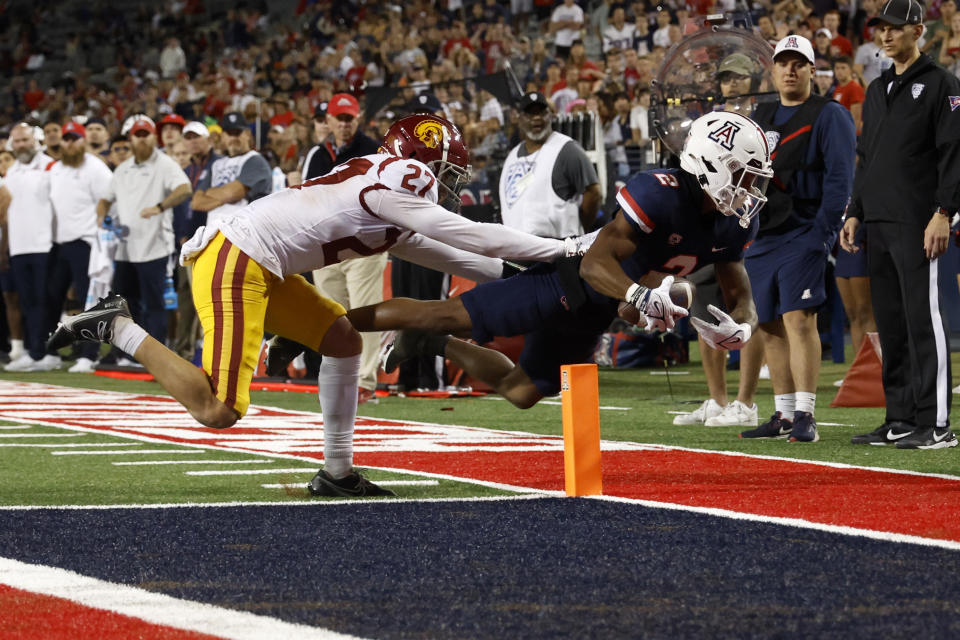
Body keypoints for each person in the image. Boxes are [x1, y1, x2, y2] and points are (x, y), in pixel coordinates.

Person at [50, 113, 582, 498]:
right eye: (445, 173)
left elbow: (463, 257)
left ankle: (337, 471)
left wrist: (542, 273)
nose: (446, 187)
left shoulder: (387, 197)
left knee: (343, 340)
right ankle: (116, 326)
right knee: (219, 409)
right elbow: (477, 238)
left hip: (260, 261)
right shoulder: (398, 180)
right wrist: (568, 251)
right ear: (419, 165)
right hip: (237, 258)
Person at [338, 112, 771, 411]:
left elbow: (741, 292)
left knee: (523, 392)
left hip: (598, 311)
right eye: (744, 176)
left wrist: (742, 326)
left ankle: (431, 344)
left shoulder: (736, 223)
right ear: (710, 164)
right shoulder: (660, 192)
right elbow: (593, 265)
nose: (749, 190)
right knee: (446, 313)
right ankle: (325, 322)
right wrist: (639, 295)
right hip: (565, 283)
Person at [841, 0, 960, 450]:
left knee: (924, 320)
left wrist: (943, 212)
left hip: (919, 220)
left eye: (894, 28)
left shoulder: (942, 84)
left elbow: (954, 154)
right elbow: (867, 157)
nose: (885, 36)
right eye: (880, 29)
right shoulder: (876, 89)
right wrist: (855, 210)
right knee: (891, 323)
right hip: (879, 220)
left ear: (917, 31)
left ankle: (938, 425)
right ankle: (901, 418)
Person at [729, 35, 856, 442]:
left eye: (798, 63)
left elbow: (840, 177)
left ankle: (806, 415)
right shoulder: (761, 114)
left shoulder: (829, 114)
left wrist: (824, 231)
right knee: (767, 324)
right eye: (783, 62)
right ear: (773, 69)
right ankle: (783, 415)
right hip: (763, 232)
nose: (789, 70)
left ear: (811, 70)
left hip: (805, 229)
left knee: (799, 320)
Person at [301, 94, 384, 401]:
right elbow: (304, 196)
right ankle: (339, 378)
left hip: (365, 242)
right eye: (340, 118)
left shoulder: (374, 150)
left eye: (350, 119)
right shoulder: (317, 154)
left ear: (357, 119)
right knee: (331, 315)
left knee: (365, 311)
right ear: (330, 120)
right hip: (327, 246)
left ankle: (364, 381)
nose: (345, 124)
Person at [95, 117, 192, 358]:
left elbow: (184, 189)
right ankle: (126, 355)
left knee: (155, 305)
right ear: (131, 138)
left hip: (154, 246)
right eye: (137, 134)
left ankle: (156, 357)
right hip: (125, 248)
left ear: (153, 137)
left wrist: (159, 207)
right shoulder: (123, 168)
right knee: (125, 305)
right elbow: (105, 198)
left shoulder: (165, 164)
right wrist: (101, 216)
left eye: (146, 134)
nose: (141, 138)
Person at [46, 120, 113, 373]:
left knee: (90, 299)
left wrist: (104, 236)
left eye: (75, 138)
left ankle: (89, 354)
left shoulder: (96, 168)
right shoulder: (55, 169)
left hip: (87, 242)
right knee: (52, 296)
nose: (71, 143)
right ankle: (51, 353)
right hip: (60, 242)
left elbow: (109, 200)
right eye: (67, 138)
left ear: (83, 140)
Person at [499, 91, 603, 240]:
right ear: (519, 119)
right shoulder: (512, 156)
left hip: (556, 250)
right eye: (530, 114)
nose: (537, 118)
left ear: (551, 115)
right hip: (516, 249)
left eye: (542, 112)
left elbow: (594, 193)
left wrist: (579, 230)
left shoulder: (567, 149)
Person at [0, 123, 59, 371]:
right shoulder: (11, 173)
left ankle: (47, 352)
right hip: (19, 247)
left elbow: (59, 206)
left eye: (25, 140)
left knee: (46, 300)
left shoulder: (50, 167)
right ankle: (34, 352)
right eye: (17, 141)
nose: (21, 145)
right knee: (27, 302)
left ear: (35, 140)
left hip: (45, 244)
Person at [188, 112, 271, 228]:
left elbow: (233, 192)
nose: (233, 138)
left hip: (242, 232)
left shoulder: (255, 160)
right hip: (214, 232)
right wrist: (226, 197)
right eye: (229, 133)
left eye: (237, 133)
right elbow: (196, 202)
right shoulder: (217, 165)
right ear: (222, 136)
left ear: (247, 134)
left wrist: (210, 193)